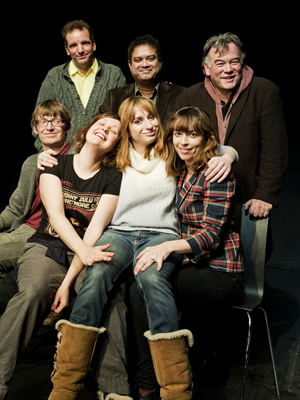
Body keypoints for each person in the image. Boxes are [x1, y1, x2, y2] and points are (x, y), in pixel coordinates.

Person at [48, 97, 238, 400]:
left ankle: (175, 391)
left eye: (150, 117)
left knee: (152, 278)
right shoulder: (115, 158)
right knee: (96, 275)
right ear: (127, 128)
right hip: (120, 233)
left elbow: (210, 147)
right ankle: (64, 388)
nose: (148, 124)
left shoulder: (170, 152)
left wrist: (228, 155)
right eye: (137, 121)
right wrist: (45, 159)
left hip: (161, 235)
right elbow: (81, 159)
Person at [0, 112, 123, 400]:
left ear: (118, 143)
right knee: (32, 292)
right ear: (89, 128)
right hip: (47, 246)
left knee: (110, 299)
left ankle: (116, 390)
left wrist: (67, 283)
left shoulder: (113, 177)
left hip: (84, 252)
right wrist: (82, 253)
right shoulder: (56, 165)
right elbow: (55, 216)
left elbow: (94, 231)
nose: (105, 130)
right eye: (101, 124)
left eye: (114, 130)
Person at [129, 106, 244, 399]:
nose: (184, 142)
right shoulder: (180, 168)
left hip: (219, 271)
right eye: (179, 134)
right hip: (190, 262)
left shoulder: (216, 174)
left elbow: (210, 236)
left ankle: (171, 382)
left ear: (206, 138)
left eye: (192, 135)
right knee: (138, 287)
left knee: (147, 289)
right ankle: (149, 378)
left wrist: (166, 246)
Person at [176, 32, 288, 218]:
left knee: (248, 248)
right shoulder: (190, 96)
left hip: (249, 200)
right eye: (220, 63)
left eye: (234, 62)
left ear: (242, 64)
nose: (228, 69)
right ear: (207, 68)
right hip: (201, 200)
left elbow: (274, 149)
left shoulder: (264, 91)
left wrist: (265, 195)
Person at [0, 100, 71, 279]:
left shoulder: (76, 157)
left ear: (67, 128)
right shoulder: (32, 162)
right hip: (21, 228)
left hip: (44, 233)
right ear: (35, 129)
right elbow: (15, 209)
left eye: (56, 121)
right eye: (43, 122)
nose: (50, 127)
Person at [33, 19, 126, 152]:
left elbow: (122, 119)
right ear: (67, 49)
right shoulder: (54, 77)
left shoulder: (114, 74)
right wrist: (45, 152)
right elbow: (39, 120)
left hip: (104, 157)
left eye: (85, 43)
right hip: (63, 158)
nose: (80, 50)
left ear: (94, 45)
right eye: (73, 45)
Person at [99, 34, 185, 127]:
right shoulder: (114, 97)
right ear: (130, 65)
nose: (144, 64)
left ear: (160, 62)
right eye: (138, 60)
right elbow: (98, 128)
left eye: (150, 59)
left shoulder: (182, 95)